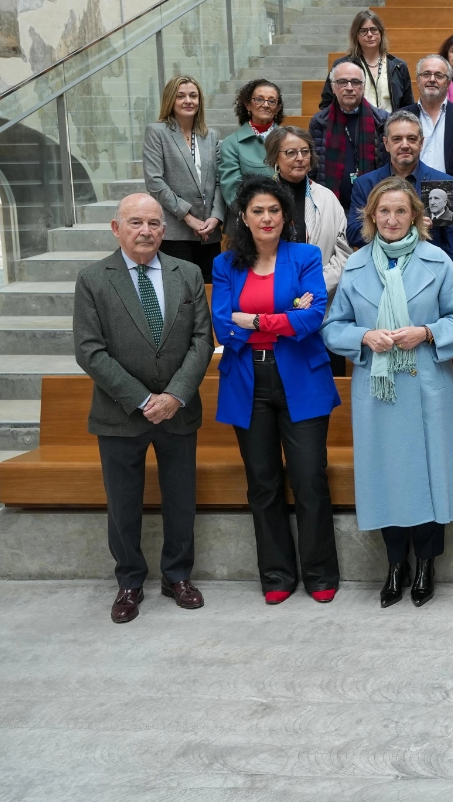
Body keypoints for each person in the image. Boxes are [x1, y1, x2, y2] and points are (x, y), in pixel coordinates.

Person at [322, 178, 453, 609]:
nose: (392, 219)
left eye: (401, 211)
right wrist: (363, 336)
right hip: (379, 393)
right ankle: (394, 565)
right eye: (384, 211)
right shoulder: (355, 267)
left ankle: (426, 564)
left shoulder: (438, 262)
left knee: (428, 474)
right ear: (371, 216)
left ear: (416, 217)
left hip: (426, 387)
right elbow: (333, 328)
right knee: (386, 476)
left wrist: (426, 331)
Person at [72, 193, 214, 624]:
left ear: (164, 230)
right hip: (120, 413)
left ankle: (178, 576)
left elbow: (202, 341)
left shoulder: (188, 274)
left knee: (180, 500)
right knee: (123, 504)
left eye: (154, 223)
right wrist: (143, 399)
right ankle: (130, 581)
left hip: (178, 410)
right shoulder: (93, 279)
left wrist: (174, 396)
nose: (146, 231)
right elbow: (89, 351)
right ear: (117, 229)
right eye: (136, 222)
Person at [211, 176, 341, 605]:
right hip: (247, 380)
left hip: (302, 378)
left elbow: (312, 318)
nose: (266, 218)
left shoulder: (305, 256)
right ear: (244, 218)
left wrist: (254, 321)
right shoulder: (225, 265)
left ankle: (320, 573)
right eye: (258, 211)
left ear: (285, 217)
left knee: (308, 477)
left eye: (274, 210)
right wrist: (282, 319)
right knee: (262, 482)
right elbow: (223, 327)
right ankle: (276, 574)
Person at [348, 110, 453, 276]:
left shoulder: (439, 184)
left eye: (412, 139)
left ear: (421, 143)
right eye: (397, 139)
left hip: (428, 276)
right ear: (386, 144)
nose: (405, 145)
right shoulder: (367, 184)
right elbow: (353, 234)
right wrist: (402, 225)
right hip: (378, 274)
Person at [143, 75, 224, 281]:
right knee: (180, 292)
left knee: (210, 290)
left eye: (193, 96)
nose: (188, 101)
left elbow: (219, 180)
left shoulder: (210, 135)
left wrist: (216, 217)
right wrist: (188, 217)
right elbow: (155, 182)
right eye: (181, 96)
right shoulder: (157, 132)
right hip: (176, 231)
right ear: (170, 100)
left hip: (208, 232)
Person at [265, 127, 352, 297]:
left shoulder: (328, 198)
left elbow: (343, 253)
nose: (300, 158)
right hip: (271, 295)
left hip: (319, 295)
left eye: (305, 152)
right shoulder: (259, 199)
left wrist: (315, 287)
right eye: (291, 152)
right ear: (275, 157)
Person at [310, 60, 388, 209]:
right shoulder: (319, 122)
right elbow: (313, 169)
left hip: (373, 205)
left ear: (363, 87)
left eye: (356, 82)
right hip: (330, 206)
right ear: (333, 87)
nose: (350, 88)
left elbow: (388, 167)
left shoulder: (382, 121)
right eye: (342, 82)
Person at [318, 9, 412, 112]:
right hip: (355, 121)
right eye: (363, 31)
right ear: (356, 35)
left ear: (381, 32)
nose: (370, 34)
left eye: (374, 29)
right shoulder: (342, 65)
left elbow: (408, 106)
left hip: (391, 121)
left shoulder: (399, 66)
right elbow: (327, 103)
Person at [219, 78, 284, 211]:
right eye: (259, 99)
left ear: (278, 108)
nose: (265, 105)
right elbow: (232, 191)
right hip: (248, 217)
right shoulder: (231, 143)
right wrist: (254, 215)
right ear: (248, 105)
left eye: (272, 101)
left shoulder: (288, 139)